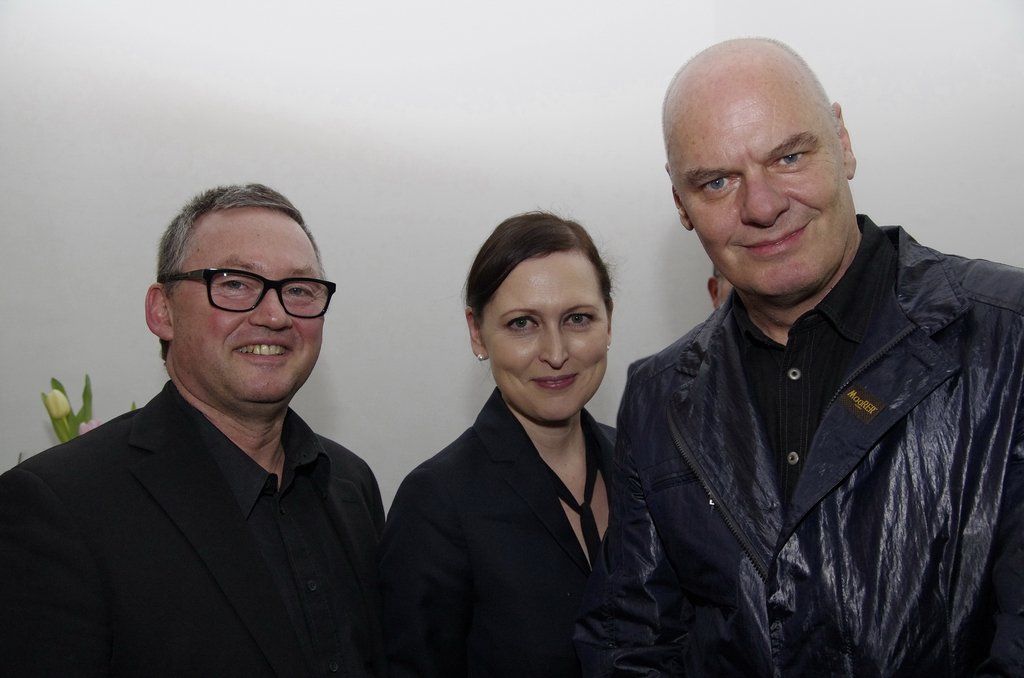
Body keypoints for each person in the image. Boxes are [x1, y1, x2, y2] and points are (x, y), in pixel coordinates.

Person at [575, 38, 1024, 676]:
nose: (761, 206)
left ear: (843, 142)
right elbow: (633, 645)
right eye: (717, 181)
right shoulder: (658, 395)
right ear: (681, 204)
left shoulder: (1008, 334)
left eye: (788, 157)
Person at [0, 184, 387, 677]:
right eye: (234, 284)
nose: (274, 315)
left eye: (299, 290)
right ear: (162, 311)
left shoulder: (350, 484)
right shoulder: (58, 505)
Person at [379, 211, 616, 677]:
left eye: (578, 318)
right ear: (477, 332)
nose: (555, 353)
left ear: (609, 322)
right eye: (522, 323)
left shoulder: (645, 464)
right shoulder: (436, 502)